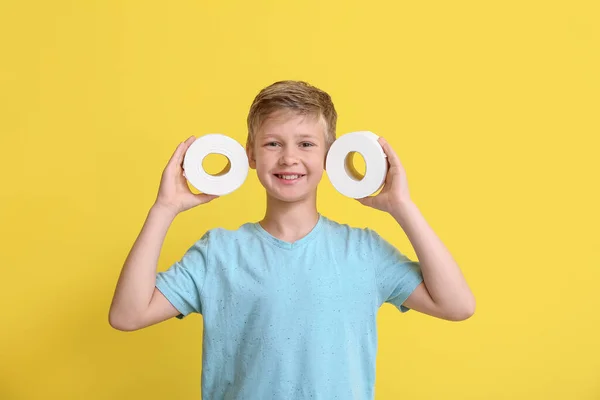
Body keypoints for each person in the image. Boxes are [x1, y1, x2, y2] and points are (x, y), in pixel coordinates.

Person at [109, 80, 475, 399]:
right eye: (272, 143)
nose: (288, 158)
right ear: (250, 153)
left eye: (305, 144)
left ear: (331, 155)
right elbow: (127, 315)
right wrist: (164, 209)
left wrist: (403, 207)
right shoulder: (218, 252)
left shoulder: (363, 251)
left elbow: (457, 306)